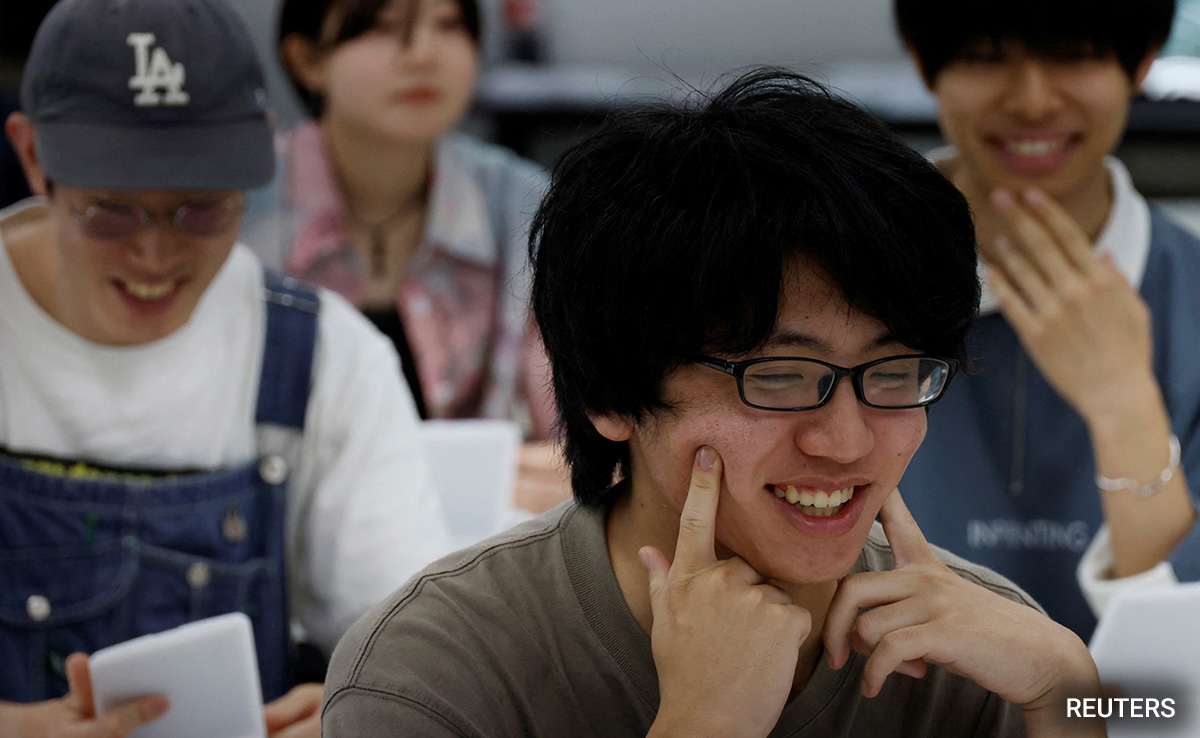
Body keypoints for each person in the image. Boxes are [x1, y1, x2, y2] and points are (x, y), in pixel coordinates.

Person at [320, 69, 1105, 738]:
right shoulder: (430, 672)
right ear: (609, 392)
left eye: (894, 372)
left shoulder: (986, 652)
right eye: (781, 378)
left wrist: (1076, 695)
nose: (846, 439)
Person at [0, 0, 450, 735]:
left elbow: (428, 658)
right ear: (31, 157)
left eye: (201, 211)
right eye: (111, 212)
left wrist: (362, 713)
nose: (154, 254)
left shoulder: (324, 359)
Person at [894, 0, 1200, 638]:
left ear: (1141, 62)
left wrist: (1124, 406)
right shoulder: (826, 279)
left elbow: (1176, 694)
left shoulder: (1187, 293)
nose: (1032, 101)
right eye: (984, 55)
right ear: (924, 61)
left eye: (1074, 54)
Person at [241, 0, 568, 514]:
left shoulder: (528, 209)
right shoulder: (238, 210)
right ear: (307, 60)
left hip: (474, 553)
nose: (423, 55)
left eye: (449, 25)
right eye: (384, 28)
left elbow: (575, 441)